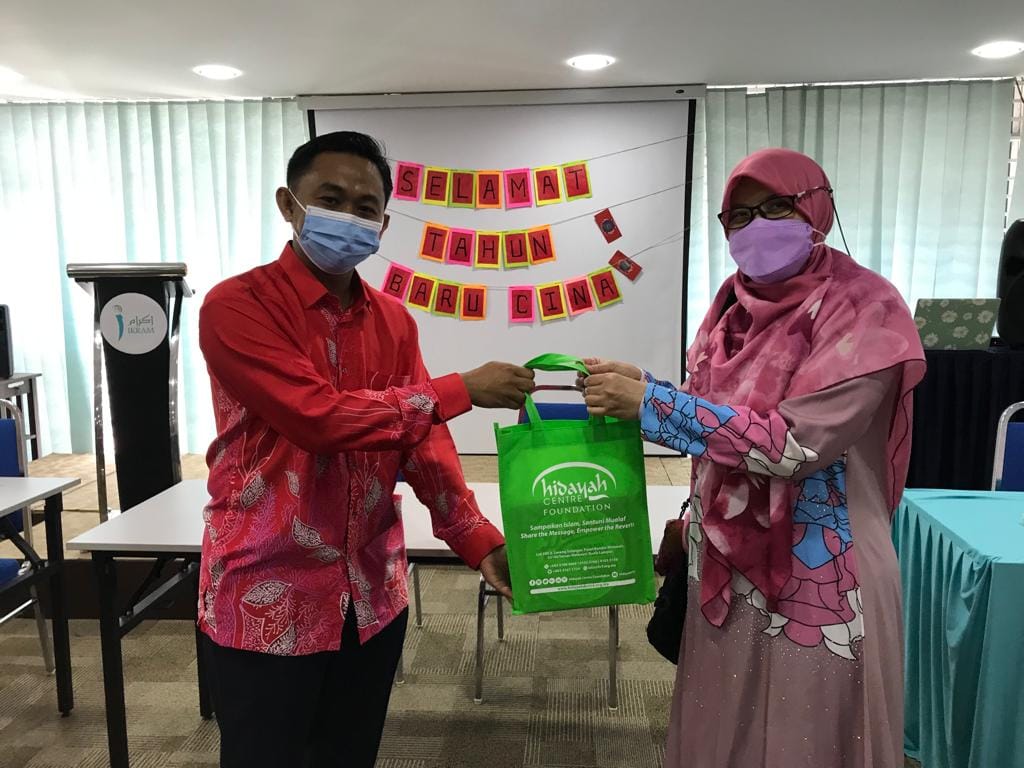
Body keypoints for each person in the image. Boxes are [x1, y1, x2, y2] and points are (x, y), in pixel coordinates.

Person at [196, 130, 534, 768]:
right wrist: (462, 389)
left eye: (365, 206)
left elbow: (422, 443)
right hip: (267, 590)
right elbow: (318, 418)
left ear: (383, 223)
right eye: (331, 199)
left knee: (348, 756)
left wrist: (476, 537)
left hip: (370, 595)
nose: (349, 217)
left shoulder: (393, 320)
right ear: (289, 205)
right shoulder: (238, 306)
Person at [579, 148, 926, 767]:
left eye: (776, 207)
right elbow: (718, 414)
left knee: (804, 737)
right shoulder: (730, 307)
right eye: (739, 216)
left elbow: (793, 444)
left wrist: (654, 405)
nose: (756, 226)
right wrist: (647, 387)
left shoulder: (866, 310)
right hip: (725, 562)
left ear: (816, 208)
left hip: (818, 574)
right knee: (725, 729)